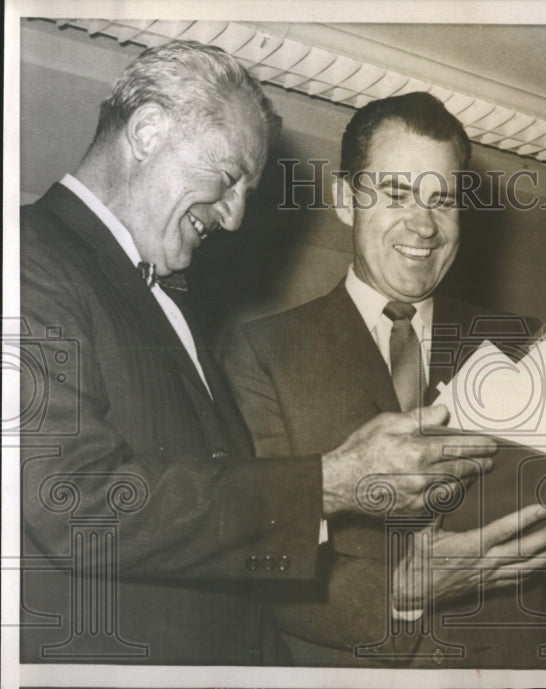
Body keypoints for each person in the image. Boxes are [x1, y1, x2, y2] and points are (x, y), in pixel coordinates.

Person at [18, 41, 497, 666]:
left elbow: (210, 508)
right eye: (228, 177)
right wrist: (332, 481)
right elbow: (73, 500)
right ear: (148, 130)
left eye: (249, 187)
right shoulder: (29, 257)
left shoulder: (161, 295)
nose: (237, 216)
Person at [220, 92, 546, 668]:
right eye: (397, 194)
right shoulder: (261, 353)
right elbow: (256, 560)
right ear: (345, 200)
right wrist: (402, 598)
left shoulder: (524, 344)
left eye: (442, 199)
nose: (422, 225)